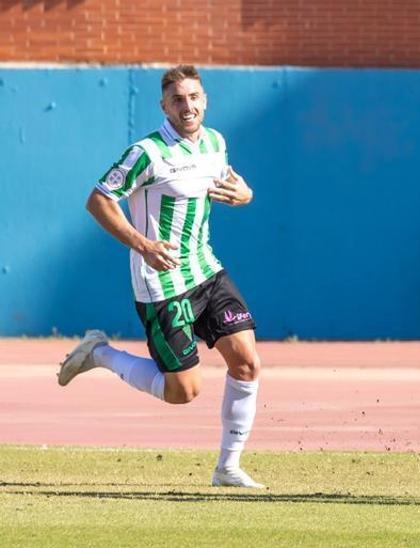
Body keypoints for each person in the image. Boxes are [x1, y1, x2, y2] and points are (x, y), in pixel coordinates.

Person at [58, 65, 266, 488]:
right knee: (183, 392)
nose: (187, 106)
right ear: (164, 106)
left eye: (193, 97)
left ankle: (227, 468)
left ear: (205, 100)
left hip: (207, 270)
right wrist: (143, 244)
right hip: (162, 282)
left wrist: (245, 195)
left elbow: (228, 186)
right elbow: (98, 201)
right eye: (177, 100)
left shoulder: (215, 142)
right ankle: (100, 354)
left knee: (246, 363)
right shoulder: (147, 153)